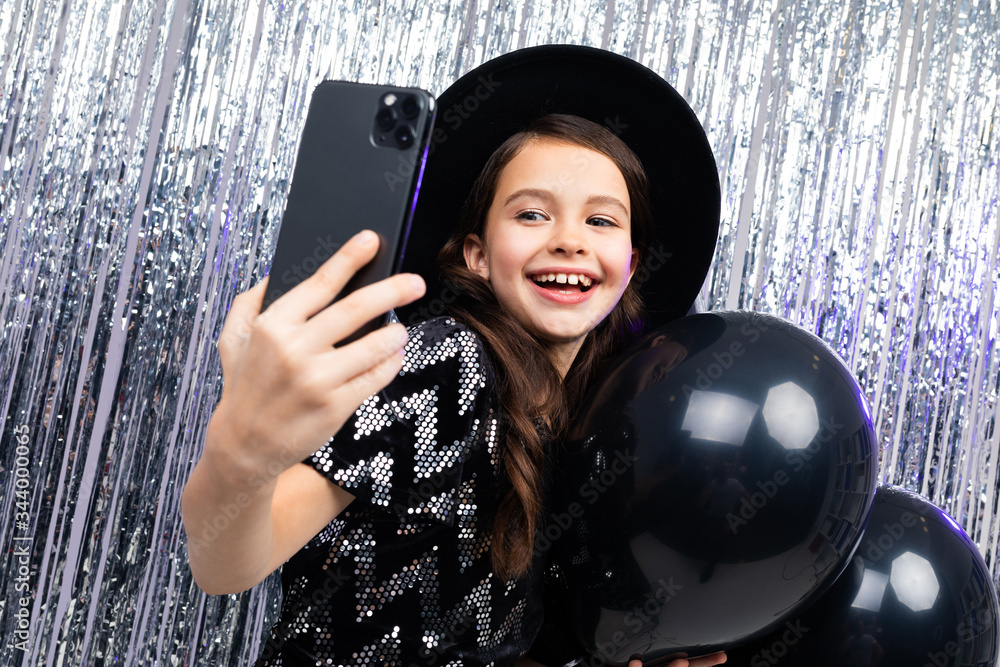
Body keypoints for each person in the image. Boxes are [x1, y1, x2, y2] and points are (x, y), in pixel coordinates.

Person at [181, 45, 724, 667]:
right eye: (531, 213)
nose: (569, 240)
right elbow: (228, 563)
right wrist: (241, 451)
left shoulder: (596, 409)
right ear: (476, 255)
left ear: (631, 265)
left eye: (601, 221)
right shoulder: (451, 365)